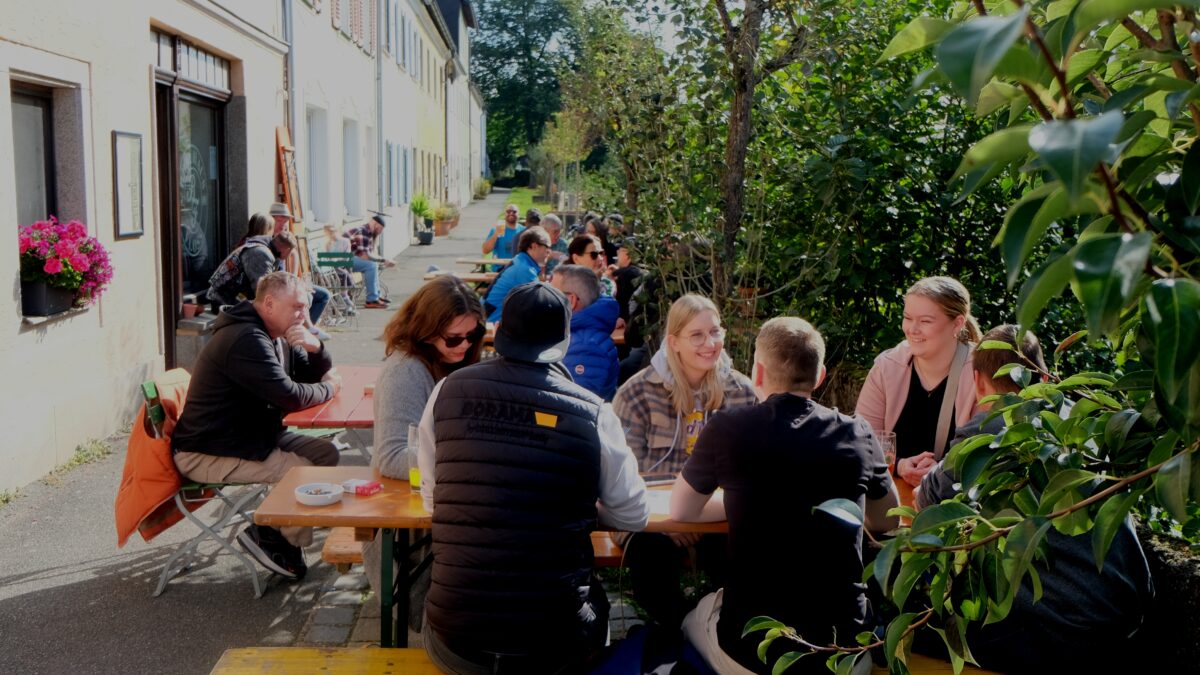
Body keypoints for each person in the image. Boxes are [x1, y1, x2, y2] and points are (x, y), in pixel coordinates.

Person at [415, 281, 649, 673]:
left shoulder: (447, 391)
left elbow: (433, 500)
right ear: (565, 337)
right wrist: (574, 508)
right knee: (595, 613)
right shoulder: (592, 412)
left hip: (458, 643)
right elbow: (634, 515)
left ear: (501, 330)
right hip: (555, 648)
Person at [914, 324, 1154, 672]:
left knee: (917, 625)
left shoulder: (991, 431)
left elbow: (929, 506)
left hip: (1061, 633)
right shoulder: (1084, 419)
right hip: (1130, 623)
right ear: (1042, 373)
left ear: (979, 382)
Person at [672, 316, 899, 675]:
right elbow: (889, 518)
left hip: (750, 655)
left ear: (757, 373)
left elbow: (681, 508)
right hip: (843, 655)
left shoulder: (728, 428)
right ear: (820, 375)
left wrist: (741, 502)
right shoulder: (858, 432)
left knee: (692, 618)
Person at [171, 271, 342, 580]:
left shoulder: (276, 335)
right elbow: (290, 396)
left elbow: (308, 376)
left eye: (305, 307)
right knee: (300, 473)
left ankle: (274, 532)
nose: (304, 315)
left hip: (251, 438)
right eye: (297, 307)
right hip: (208, 451)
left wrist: (316, 347)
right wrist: (330, 388)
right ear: (269, 303)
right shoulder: (246, 339)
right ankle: (272, 538)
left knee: (325, 455)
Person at [611, 294, 757, 629]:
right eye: (697, 335)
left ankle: (725, 630)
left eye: (715, 332)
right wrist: (669, 522)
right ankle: (680, 630)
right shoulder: (637, 393)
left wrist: (698, 516)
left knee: (735, 554)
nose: (710, 343)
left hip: (715, 512)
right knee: (651, 557)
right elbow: (621, 477)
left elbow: (751, 470)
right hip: (650, 518)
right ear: (673, 342)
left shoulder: (741, 391)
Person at [363, 275, 486, 625]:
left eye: (474, 335)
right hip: (409, 520)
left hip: (440, 503)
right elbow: (390, 458)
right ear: (426, 330)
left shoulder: (455, 360)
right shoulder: (406, 370)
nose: (465, 345)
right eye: (454, 338)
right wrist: (467, 462)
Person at [854, 276, 981, 488]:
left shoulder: (980, 373)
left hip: (956, 509)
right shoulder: (887, 367)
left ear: (957, 323)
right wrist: (900, 464)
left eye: (925, 321)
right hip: (895, 502)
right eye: (907, 318)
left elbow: (987, 455)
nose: (912, 329)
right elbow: (861, 442)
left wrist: (940, 474)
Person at [550, 264, 620, 400]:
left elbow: (572, 405)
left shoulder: (586, 346)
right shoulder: (576, 334)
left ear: (571, 301)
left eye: (551, 293)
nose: (544, 298)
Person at [206, 215, 296, 312]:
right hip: (223, 301)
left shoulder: (271, 249)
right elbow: (262, 290)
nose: (290, 255)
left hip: (234, 296)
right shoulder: (261, 254)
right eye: (291, 252)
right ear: (287, 250)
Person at [269, 202, 332, 335]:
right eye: (279, 220)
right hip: (278, 286)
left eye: (285, 220)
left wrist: (298, 281)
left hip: (290, 281)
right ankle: (303, 331)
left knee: (323, 295)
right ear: (271, 220)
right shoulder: (269, 241)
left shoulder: (288, 237)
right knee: (306, 297)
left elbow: (294, 255)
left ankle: (305, 331)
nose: (283, 224)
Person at [482, 226, 551, 323]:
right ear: (534, 246)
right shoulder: (525, 270)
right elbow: (541, 303)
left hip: (489, 317)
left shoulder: (521, 261)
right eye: (547, 247)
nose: (549, 252)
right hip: (490, 322)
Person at [344, 214, 395, 308]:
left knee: (373, 264)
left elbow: (370, 255)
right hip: (339, 260)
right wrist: (384, 260)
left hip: (346, 259)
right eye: (380, 229)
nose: (380, 232)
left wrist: (383, 260)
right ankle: (372, 299)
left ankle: (376, 296)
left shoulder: (368, 234)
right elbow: (365, 256)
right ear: (375, 224)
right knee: (370, 265)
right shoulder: (362, 231)